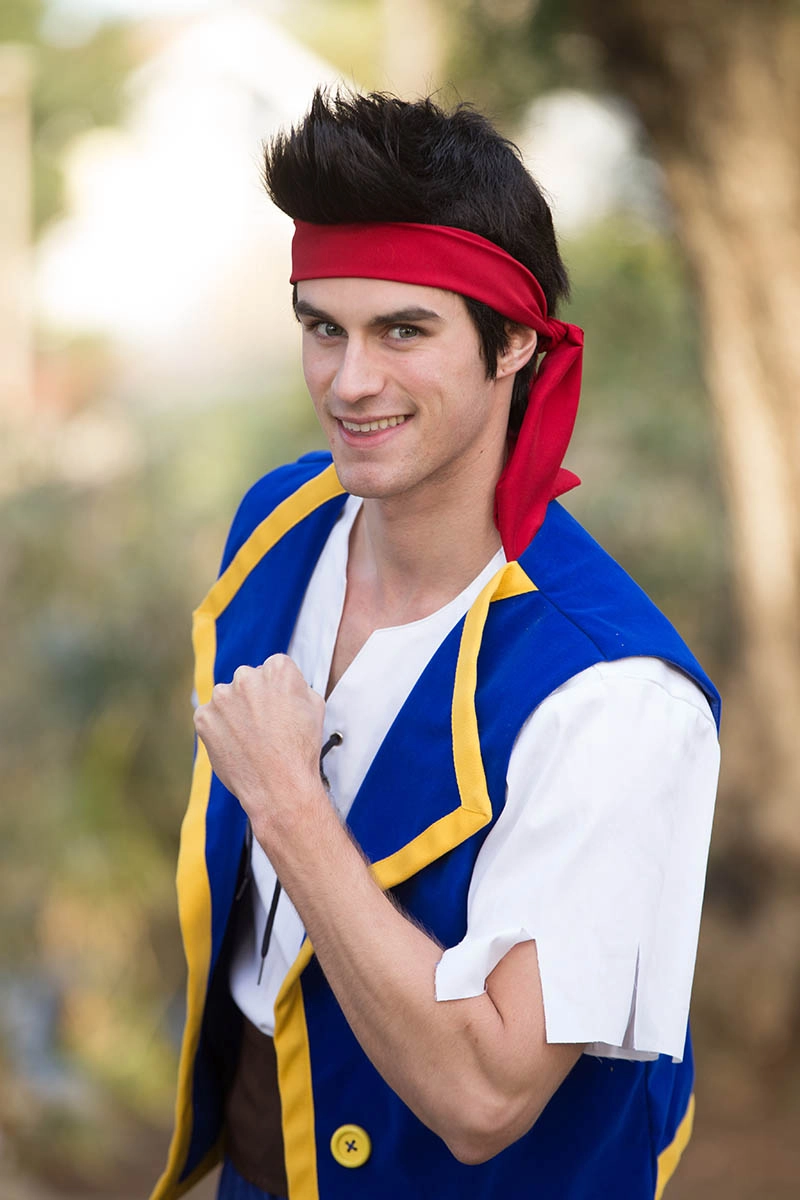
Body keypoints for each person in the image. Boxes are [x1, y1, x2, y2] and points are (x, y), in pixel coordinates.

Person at [151, 90, 720, 1200]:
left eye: (403, 331)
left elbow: (485, 1101)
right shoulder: (278, 528)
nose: (349, 382)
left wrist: (290, 805)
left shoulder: (611, 698)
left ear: (515, 341)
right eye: (324, 327)